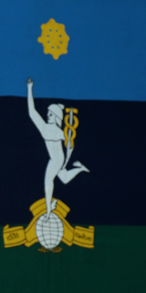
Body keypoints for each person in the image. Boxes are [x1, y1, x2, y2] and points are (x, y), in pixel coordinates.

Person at [26, 77, 89, 214]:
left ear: (56, 116)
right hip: (57, 159)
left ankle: (49, 209)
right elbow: (32, 112)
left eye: (50, 114)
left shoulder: (54, 131)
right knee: (64, 179)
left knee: (48, 180)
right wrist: (29, 88)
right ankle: (81, 168)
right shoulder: (51, 129)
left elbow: (70, 144)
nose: (47, 115)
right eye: (48, 113)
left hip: (56, 160)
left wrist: (29, 88)